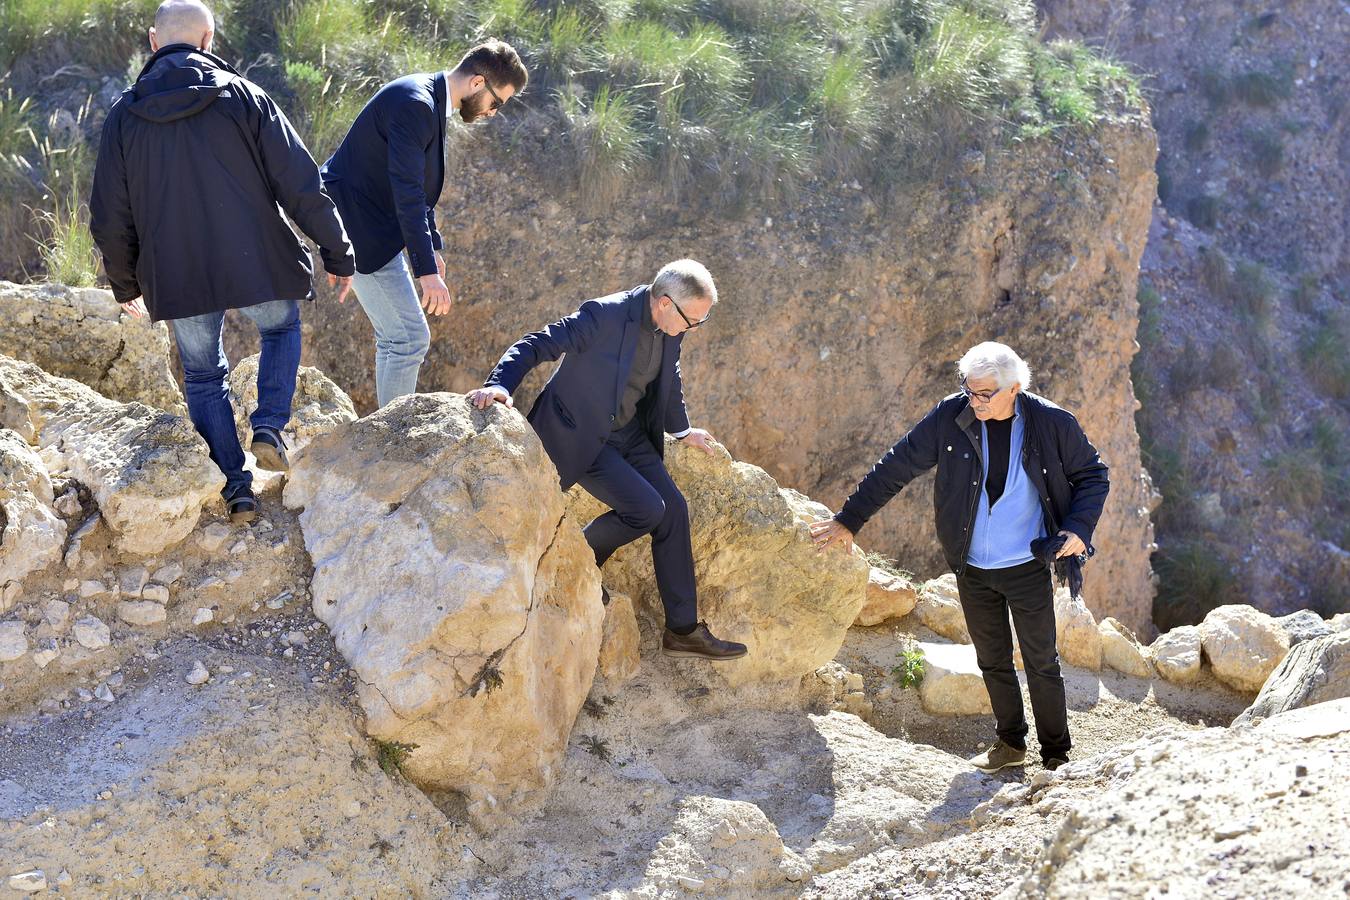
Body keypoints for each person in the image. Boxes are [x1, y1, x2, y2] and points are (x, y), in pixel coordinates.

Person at [90, 0, 355, 524]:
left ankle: (237, 489)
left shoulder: (124, 114)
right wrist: (337, 250)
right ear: (208, 41)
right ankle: (269, 428)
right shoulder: (245, 97)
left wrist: (125, 284)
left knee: (204, 375)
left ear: (153, 41)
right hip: (254, 256)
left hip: (177, 268)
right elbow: (301, 182)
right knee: (280, 328)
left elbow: (108, 212)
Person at [810, 342, 1109, 772]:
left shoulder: (1051, 422)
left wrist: (1078, 530)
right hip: (971, 566)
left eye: (986, 393)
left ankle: (1056, 756)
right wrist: (849, 520)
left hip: (1026, 564)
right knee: (990, 659)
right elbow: (897, 466)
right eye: (970, 390)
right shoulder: (952, 416)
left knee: (1042, 661)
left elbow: (1093, 476)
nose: (976, 401)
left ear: (1015, 388)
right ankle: (1010, 744)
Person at [468, 260, 747, 661]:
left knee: (674, 512)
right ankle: (579, 558)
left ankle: (683, 631)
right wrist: (498, 386)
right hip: (583, 437)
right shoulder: (603, 315)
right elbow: (536, 343)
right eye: (693, 321)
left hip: (631, 435)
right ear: (666, 303)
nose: (693, 329)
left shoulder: (672, 328)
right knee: (648, 509)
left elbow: (670, 378)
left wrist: (683, 431)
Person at [321, 40, 527, 407]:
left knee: (398, 339)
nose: (494, 113)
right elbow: (408, 193)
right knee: (408, 339)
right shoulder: (417, 104)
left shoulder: (430, 100)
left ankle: (387, 433)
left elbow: (419, 185)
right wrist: (425, 272)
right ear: (478, 83)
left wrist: (430, 248)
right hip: (359, 227)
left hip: (367, 225)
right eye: (497, 102)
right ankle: (392, 439)